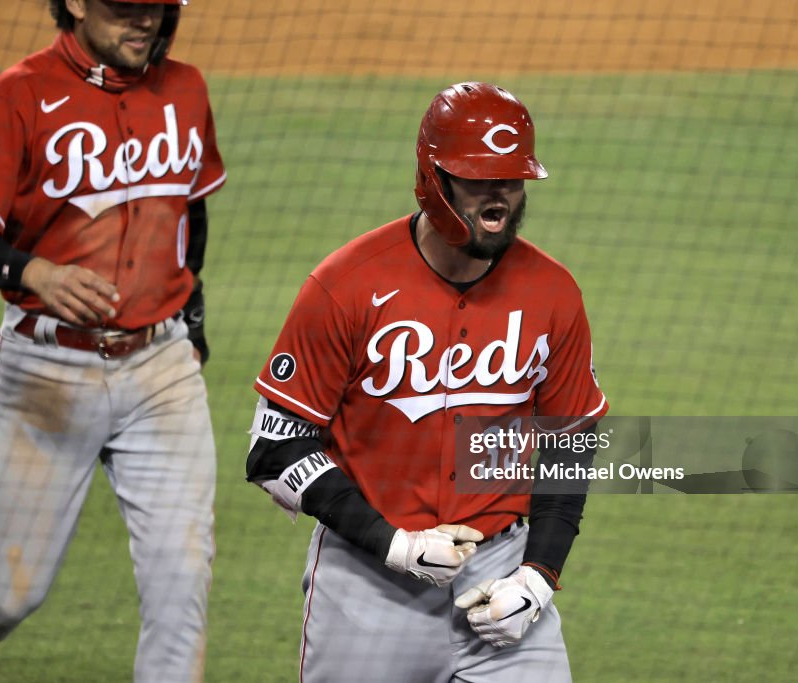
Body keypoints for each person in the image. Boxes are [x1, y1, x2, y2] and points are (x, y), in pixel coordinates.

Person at [0, 1, 224, 681]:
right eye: (127, 9)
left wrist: (189, 322)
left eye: (156, 9)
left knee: (182, 583)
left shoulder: (186, 89)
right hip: (45, 374)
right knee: (8, 596)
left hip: (161, 375)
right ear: (76, 2)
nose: (146, 23)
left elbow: (189, 212)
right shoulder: (15, 96)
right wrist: (33, 269)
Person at [246, 82, 608, 682]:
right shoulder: (347, 286)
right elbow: (276, 446)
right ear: (432, 179)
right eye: (478, 179)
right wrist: (394, 545)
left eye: (512, 180)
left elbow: (569, 443)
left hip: (502, 579)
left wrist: (538, 577)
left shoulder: (553, 292)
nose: (499, 198)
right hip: (368, 585)